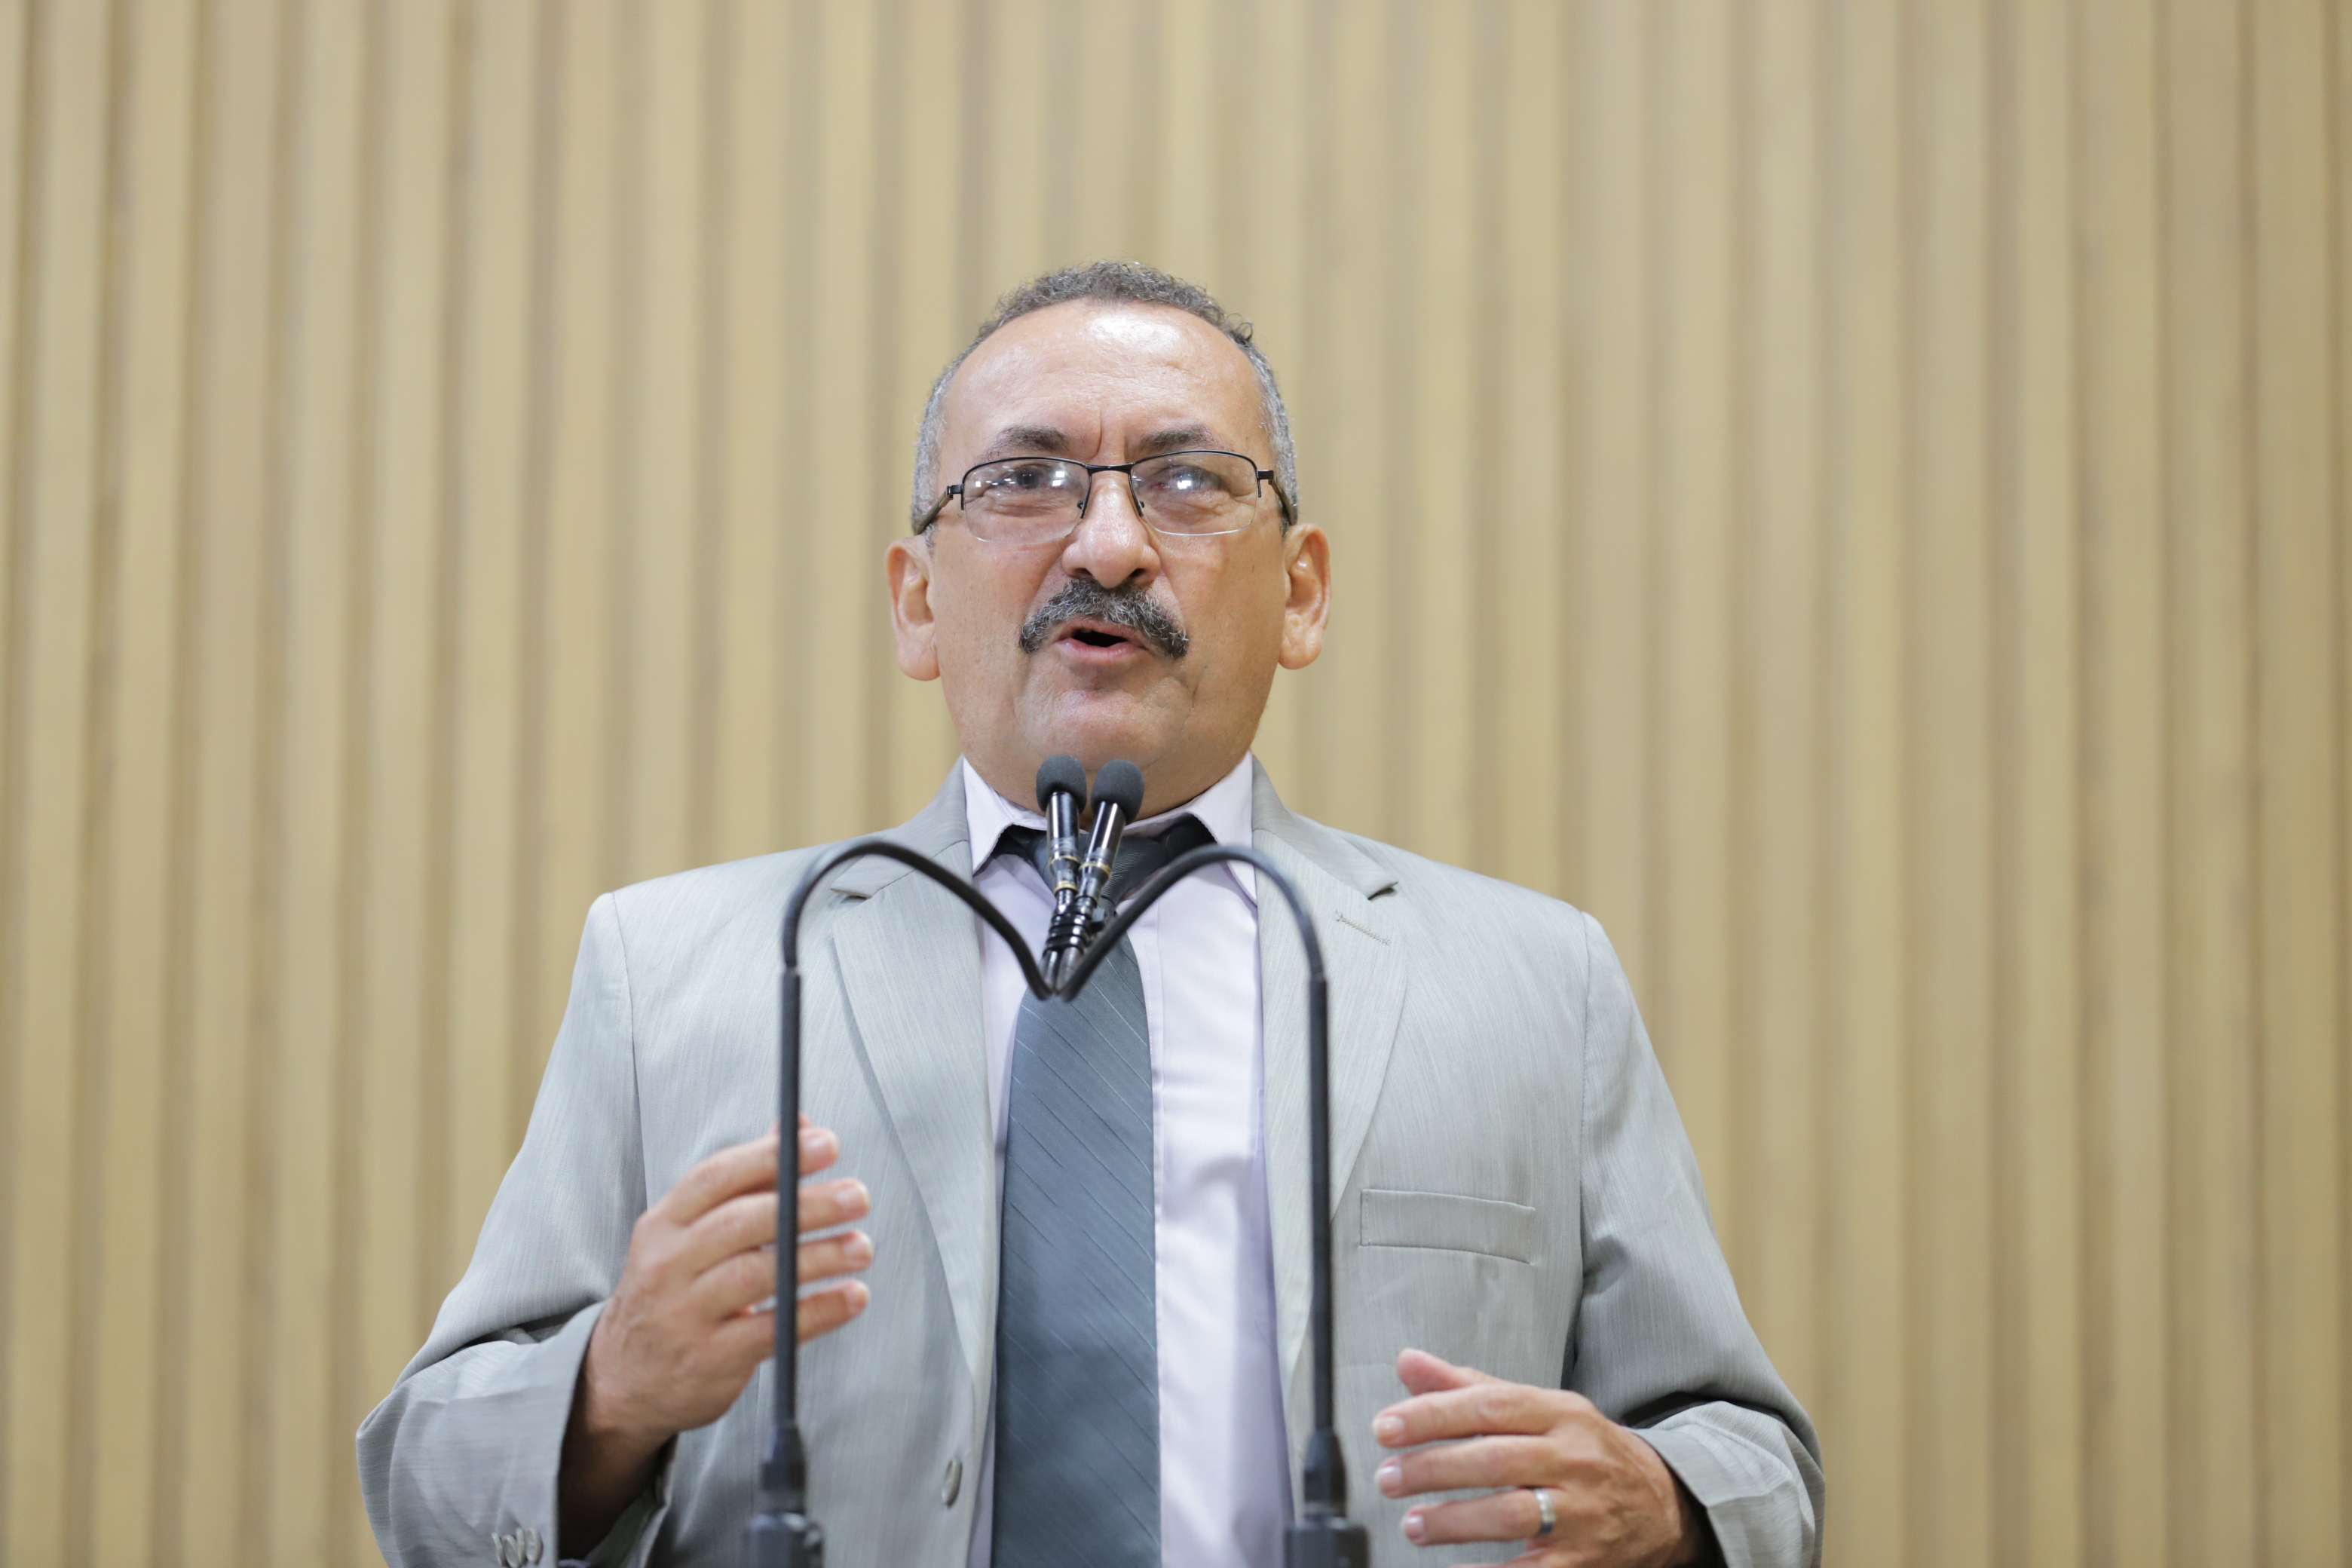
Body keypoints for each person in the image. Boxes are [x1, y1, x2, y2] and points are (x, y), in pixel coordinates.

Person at [358, 261, 1822, 1568]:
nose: (1109, 544)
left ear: (1302, 594)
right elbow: (425, 1484)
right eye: (1025, 481)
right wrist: (608, 1391)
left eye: (1187, 482)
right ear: (916, 601)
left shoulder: (1533, 980)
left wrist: (1665, 1508)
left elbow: (1756, 1462)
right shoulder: (679, 967)